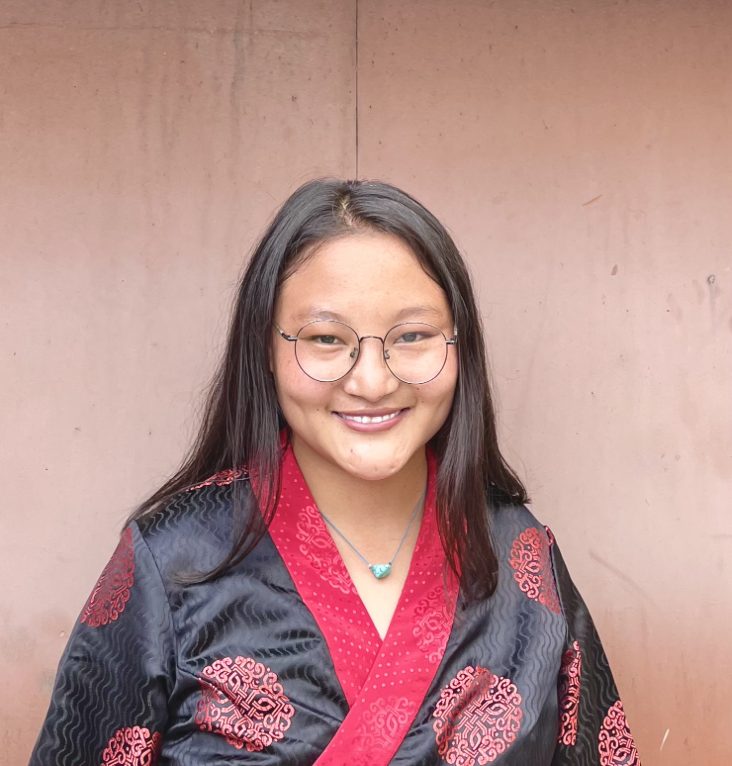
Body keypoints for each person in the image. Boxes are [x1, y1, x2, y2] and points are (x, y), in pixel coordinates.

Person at [30, 179, 640, 765]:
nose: (372, 381)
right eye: (325, 339)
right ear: (265, 350)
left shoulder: (522, 556)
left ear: (460, 347)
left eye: (413, 336)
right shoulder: (171, 561)